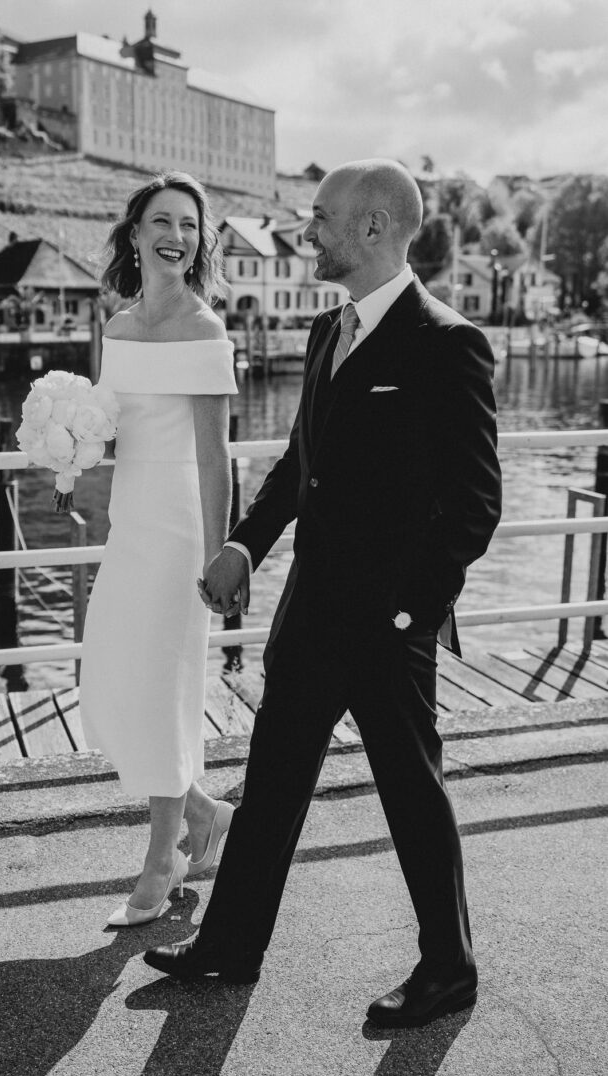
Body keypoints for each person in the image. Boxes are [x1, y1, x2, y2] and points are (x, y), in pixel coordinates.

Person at [144, 159, 502, 1027]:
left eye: (320, 218)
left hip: (385, 626)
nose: (308, 231)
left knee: (411, 792)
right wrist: (244, 546)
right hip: (310, 612)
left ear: (373, 227)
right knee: (270, 783)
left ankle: (447, 970)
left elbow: (475, 504)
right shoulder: (326, 331)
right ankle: (230, 945)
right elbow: (302, 465)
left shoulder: (445, 341)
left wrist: (408, 614)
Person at [79, 172, 236, 926]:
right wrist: (70, 454)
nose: (177, 235)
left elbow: (216, 458)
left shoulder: (206, 330)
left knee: (165, 693)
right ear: (135, 233)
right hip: (129, 525)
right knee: (112, 683)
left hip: (179, 532)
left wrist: (222, 553)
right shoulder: (119, 325)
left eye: (190, 224)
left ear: (199, 241)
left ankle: (159, 863)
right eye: (162, 221)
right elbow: (117, 430)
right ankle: (204, 814)